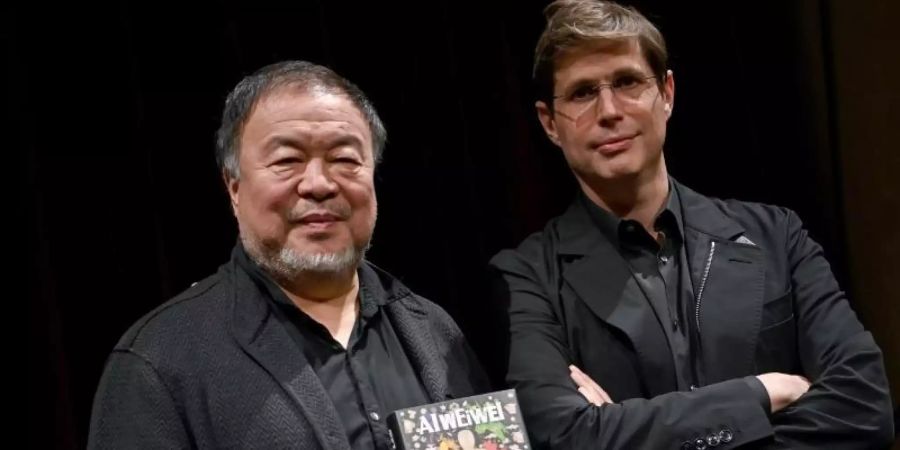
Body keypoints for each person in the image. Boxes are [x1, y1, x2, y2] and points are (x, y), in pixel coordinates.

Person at [489, 1, 894, 448]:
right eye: (583, 92)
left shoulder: (777, 235)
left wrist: (625, 430)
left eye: (626, 82)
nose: (608, 111)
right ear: (549, 123)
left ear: (667, 93)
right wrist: (761, 393)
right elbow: (563, 436)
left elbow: (866, 407)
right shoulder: (528, 276)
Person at [88, 60, 488, 449]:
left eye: (345, 159)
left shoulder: (434, 332)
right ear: (234, 187)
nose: (318, 184)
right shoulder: (160, 359)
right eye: (287, 161)